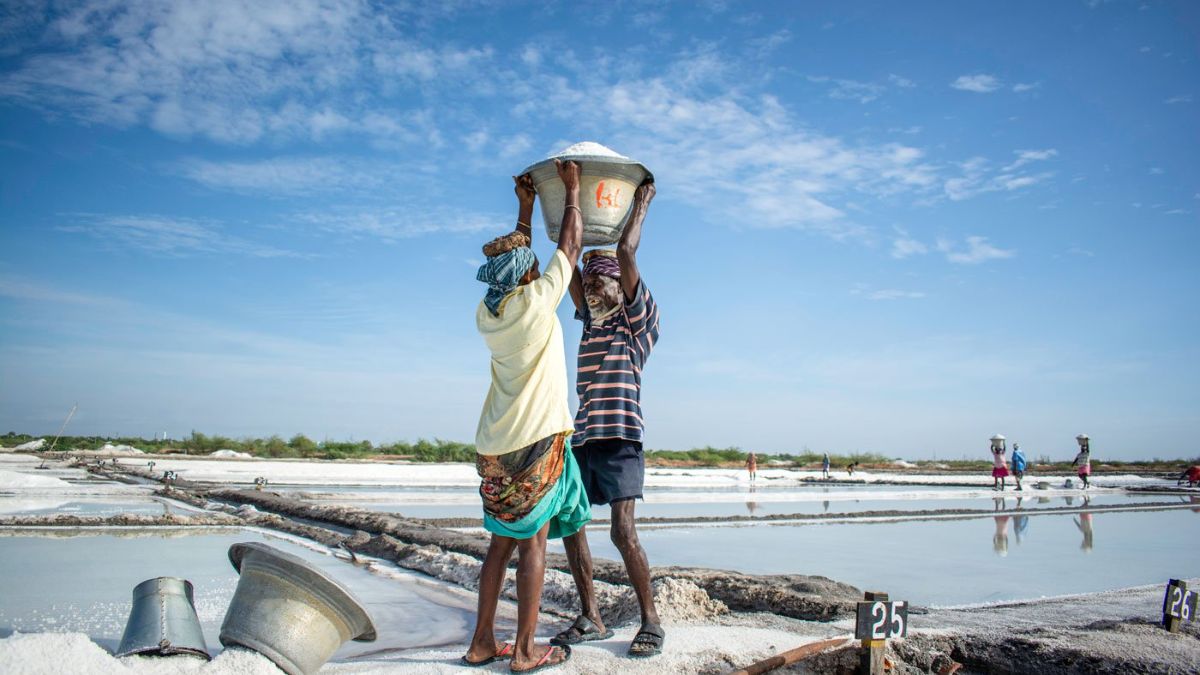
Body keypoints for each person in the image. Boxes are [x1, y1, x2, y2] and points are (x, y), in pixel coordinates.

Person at [463, 160, 587, 672]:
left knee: (500, 545)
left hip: (494, 443)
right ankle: (525, 650)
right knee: (533, 542)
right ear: (528, 275)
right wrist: (573, 189)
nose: (537, 269)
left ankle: (481, 643)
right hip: (535, 439)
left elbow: (517, 259)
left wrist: (526, 206)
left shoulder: (488, 313)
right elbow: (571, 245)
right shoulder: (538, 302)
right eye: (532, 266)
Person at [554, 176, 664, 658]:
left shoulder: (636, 323)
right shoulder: (590, 320)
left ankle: (651, 621)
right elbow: (568, 258)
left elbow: (625, 252)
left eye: (600, 284)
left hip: (621, 439)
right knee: (572, 524)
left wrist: (640, 204)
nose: (592, 292)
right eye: (588, 286)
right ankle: (592, 616)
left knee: (622, 531)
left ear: (621, 287)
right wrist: (566, 197)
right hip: (583, 440)